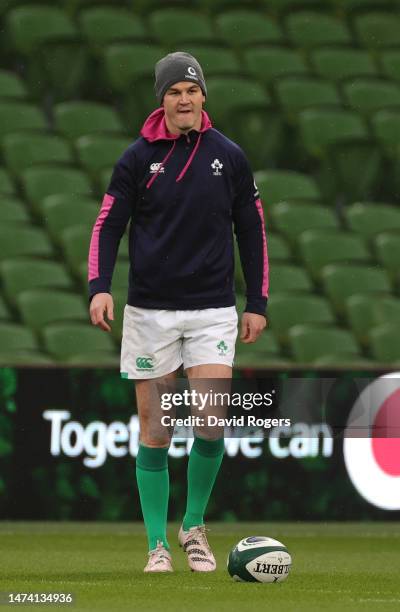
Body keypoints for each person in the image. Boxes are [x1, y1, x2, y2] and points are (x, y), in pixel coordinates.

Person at [88, 52, 269, 573]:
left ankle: (192, 527)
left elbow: (252, 230)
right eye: (174, 91)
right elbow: (107, 225)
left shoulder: (229, 157)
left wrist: (256, 302)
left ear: (203, 96)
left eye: (192, 90)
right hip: (150, 313)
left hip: (213, 310)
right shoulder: (135, 159)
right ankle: (156, 546)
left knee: (211, 422)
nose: (184, 99)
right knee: (157, 430)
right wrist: (100, 287)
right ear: (161, 99)